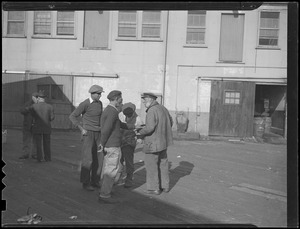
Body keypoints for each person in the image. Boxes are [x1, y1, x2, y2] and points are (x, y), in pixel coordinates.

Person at [98, 90, 135, 203]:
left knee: (108, 169)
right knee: (111, 170)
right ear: (116, 99)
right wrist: (102, 143)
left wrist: (133, 126)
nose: (122, 101)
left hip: (110, 144)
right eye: (121, 99)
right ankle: (105, 195)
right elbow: (106, 129)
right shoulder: (112, 112)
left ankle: (105, 190)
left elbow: (118, 124)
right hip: (112, 145)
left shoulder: (110, 110)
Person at [136, 92, 173, 195]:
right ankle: (165, 187)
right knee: (163, 164)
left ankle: (153, 188)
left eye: (144, 99)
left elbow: (149, 128)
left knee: (151, 165)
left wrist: (139, 132)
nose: (143, 102)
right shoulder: (163, 108)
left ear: (150, 100)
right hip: (163, 142)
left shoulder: (152, 110)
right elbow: (171, 121)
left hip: (152, 143)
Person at [69, 85, 104, 191]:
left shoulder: (100, 103)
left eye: (100, 93)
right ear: (92, 93)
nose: (100, 95)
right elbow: (72, 116)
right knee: (88, 159)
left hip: (98, 134)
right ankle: (86, 183)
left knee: (99, 159)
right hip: (88, 134)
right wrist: (81, 128)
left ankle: (95, 181)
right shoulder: (85, 104)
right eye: (98, 93)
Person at [118, 102, 144, 188]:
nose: (127, 116)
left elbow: (140, 130)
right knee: (119, 160)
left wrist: (140, 137)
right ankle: (118, 178)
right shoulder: (120, 115)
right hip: (119, 140)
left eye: (129, 114)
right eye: (126, 114)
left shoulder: (138, 119)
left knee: (128, 161)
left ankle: (129, 180)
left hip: (129, 141)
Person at [30, 90, 55, 162]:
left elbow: (32, 115)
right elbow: (52, 118)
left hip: (37, 127)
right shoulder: (50, 106)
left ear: (38, 98)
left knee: (38, 143)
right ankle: (47, 158)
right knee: (47, 143)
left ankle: (39, 158)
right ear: (44, 98)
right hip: (47, 127)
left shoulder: (33, 106)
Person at [19, 92, 39, 159]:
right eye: (35, 97)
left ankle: (35, 154)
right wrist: (28, 108)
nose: (36, 98)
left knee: (36, 141)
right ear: (32, 97)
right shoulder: (27, 103)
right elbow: (21, 110)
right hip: (27, 125)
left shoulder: (40, 104)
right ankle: (25, 154)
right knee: (26, 140)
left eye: (37, 97)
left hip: (36, 126)